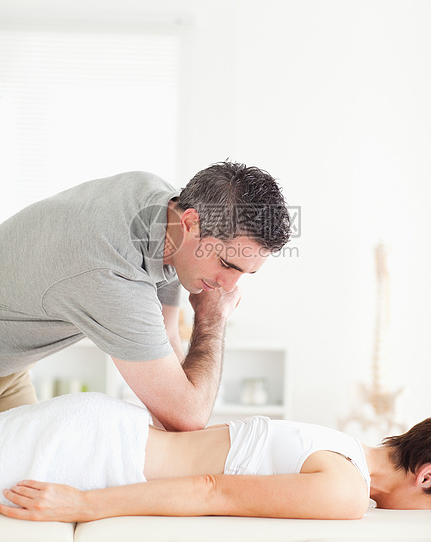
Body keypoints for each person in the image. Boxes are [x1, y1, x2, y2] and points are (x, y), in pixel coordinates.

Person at [0, 161, 291, 429]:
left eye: (245, 273)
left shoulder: (161, 207)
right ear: (190, 223)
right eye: (226, 264)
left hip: (9, 369)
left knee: (25, 480)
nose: (229, 287)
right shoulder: (112, 269)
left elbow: (168, 342)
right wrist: (212, 318)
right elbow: (187, 417)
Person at [0, 392, 429, 522]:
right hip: (95, 455)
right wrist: (82, 504)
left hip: (102, 426)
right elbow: (213, 491)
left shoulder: (339, 445)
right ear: (426, 477)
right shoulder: (347, 489)